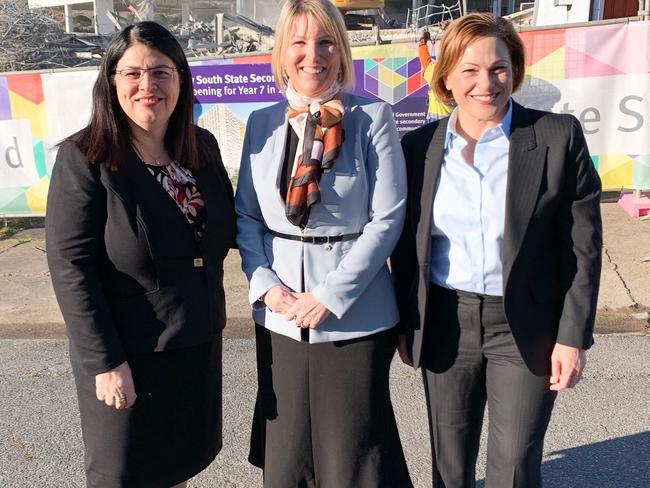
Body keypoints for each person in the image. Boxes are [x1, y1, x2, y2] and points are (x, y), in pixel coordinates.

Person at [392, 13, 602, 488]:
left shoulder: (556, 136)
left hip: (526, 323)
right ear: (445, 76)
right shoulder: (417, 147)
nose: (486, 83)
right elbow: (407, 246)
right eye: (469, 70)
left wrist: (572, 337)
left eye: (499, 68)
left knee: (514, 465)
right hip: (446, 320)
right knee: (449, 462)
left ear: (515, 70)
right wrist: (409, 323)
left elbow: (582, 247)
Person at [45, 21, 236, 488]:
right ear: (111, 83)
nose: (147, 86)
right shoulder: (85, 157)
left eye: (160, 72)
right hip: (127, 355)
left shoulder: (202, 148)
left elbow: (229, 233)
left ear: (181, 80)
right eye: (132, 74)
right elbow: (71, 268)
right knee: (126, 476)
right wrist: (105, 362)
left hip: (194, 346)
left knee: (177, 470)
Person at [235, 0, 412, 486]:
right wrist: (268, 287)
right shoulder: (260, 122)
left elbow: (388, 217)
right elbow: (247, 217)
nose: (312, 55)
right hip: (281, 313)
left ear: (342, 50)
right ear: (281, 51)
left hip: (356, 311)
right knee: (288, 446)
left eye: (325, 41)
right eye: (299, 42)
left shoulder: (373, 116)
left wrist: (332, 295)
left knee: (352, 446)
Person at [417, 26, 452, 123]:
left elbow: (424, 58)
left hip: (434, 124)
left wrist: (423, 41)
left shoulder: (434, 72)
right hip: (454, 124)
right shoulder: (460, 74)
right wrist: (448, 29)